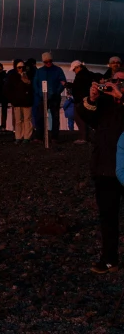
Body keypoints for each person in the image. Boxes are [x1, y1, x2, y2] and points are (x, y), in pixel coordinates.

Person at [76, 71, 124, 273]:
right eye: (114, 80)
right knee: (108, 216)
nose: (116, 83)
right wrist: (91, 98)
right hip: (105, 167)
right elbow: (85, 115)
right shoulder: (104, 103)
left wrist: (122, 98)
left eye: (121, 80)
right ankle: (109, 258)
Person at [34, 52, 68, 143]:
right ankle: (40, 136)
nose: (48, 63)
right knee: (40, 117)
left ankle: (54, 137)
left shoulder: (58, 70)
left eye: (50, 61)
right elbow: (35, 83)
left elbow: (63, 82)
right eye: (46, 62)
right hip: (43, 97)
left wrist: (56, 92)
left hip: (54, 98)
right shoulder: (40, 71)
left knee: (55, 117)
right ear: (43, 62)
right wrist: (39, 93)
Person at [70, 60, 98, 144]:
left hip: (80, 100)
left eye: (74, 69)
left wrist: (69, 85)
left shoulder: (80, 76)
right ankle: (87, 136)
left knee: (79, 118)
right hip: (86, 99)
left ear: (78, 67)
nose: (74, 71)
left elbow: (78, 87)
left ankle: (83, 137)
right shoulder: (88, 74)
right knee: (85, 118)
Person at [6, 59, 34, 144]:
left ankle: (26, 137)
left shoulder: (29, 75)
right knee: (18, 120)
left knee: (27, 119)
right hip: (17, 101)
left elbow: (32, 87)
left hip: (26, 101)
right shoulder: (12, 76)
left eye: (22, 67)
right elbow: (8, 89)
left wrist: (28, 83)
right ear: (16, 67)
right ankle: (18, 136)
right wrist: (12, 99)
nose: (21, 69)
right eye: (19, 67)